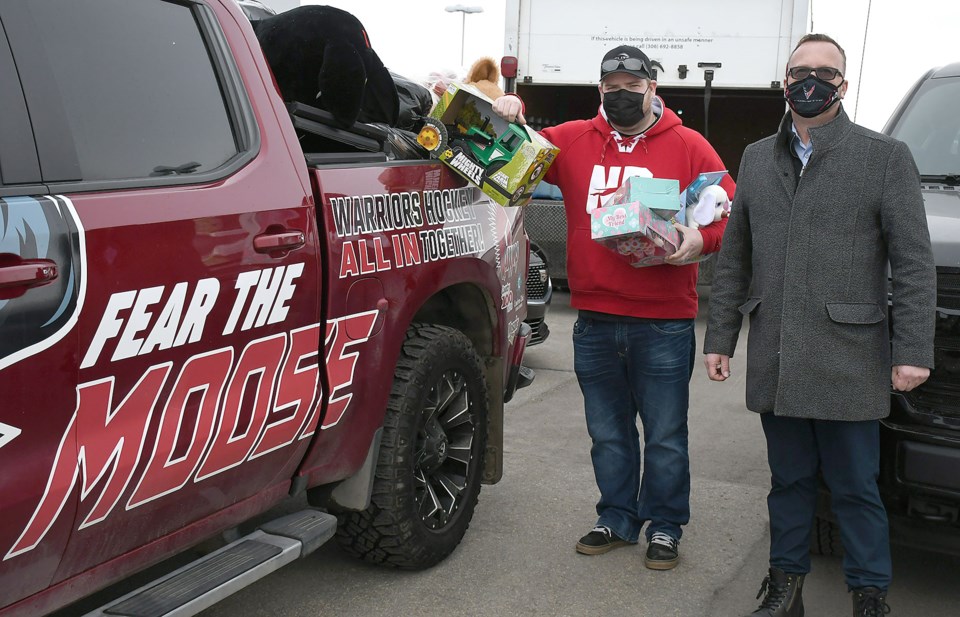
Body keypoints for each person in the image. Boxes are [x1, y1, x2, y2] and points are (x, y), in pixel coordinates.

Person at [702, 33, 935, 616]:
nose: (809, 82)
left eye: (822, 72)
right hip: (778, 352)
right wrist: (721, 337)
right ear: (784, 83)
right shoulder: (757, 156)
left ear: (843, 85)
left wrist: (912, 350)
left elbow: (912, 261)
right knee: (789, 484)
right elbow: (735, 257)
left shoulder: (883, 157)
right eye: (798, 71)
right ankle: (786, 588)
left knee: (856, 489)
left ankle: (869, 594)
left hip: (850, 356)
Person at [493, 45, 735, 570]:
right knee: (608, 432)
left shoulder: (690, 147)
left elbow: (726, 214)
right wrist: (505, 110)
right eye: (611, 86)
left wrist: (698, 239)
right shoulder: (573, 139)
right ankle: (618, 517)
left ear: (652, 87)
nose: (621, 93)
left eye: (632, 85)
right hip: (596, 320)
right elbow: (507, 150)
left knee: (666, 435)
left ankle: (666, 526)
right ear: (599, 89)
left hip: (664, 322)